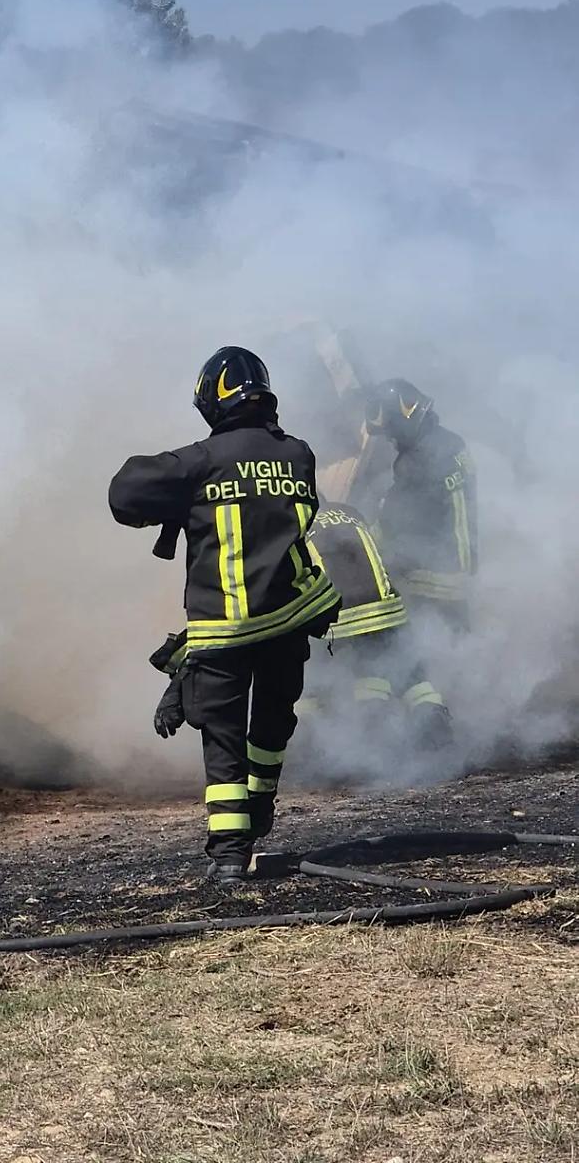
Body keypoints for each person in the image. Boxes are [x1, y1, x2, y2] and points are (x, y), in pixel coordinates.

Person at [109, 345, 340, 883]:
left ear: (212, 400)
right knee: (271, 726)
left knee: (223, 737)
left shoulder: (198, 462)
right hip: (288, 618)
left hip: (225, 630)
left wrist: (181, 496)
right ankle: (260, 811)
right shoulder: (299, 454)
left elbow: (125, 493)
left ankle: (231, 855)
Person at [299, 498, 453, 750]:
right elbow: (380, 550)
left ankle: (311, 745)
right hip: (387, 609)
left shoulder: (294, 523)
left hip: (339, 616)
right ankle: (435, 728)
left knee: (313, 678)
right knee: (408, 676)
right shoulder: (350, 512)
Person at [364, 377, 477, 640]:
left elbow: (393, 518)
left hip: (433, 578)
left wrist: (364, 546)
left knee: (419, 651)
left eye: (391, 432)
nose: (390, 440)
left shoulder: (416, 460)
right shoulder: (453, 443)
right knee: (459, 648)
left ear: (403, 417)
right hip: (463, 570)